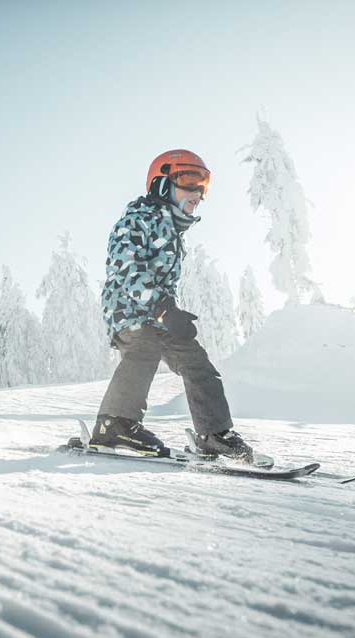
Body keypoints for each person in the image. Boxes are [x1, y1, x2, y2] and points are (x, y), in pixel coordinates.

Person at [94, 149, 252, 460]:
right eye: (190, 180)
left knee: (196, 361)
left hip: (157, 314)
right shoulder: (137, 220)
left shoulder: (173, 231)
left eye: (203, 186)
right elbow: (128, 269)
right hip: (129, 311)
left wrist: (171, 313)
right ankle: (114, 425)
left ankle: (213, 432)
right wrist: (163, 308)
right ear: (161, 184)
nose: (198, 193)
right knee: (144, 349)